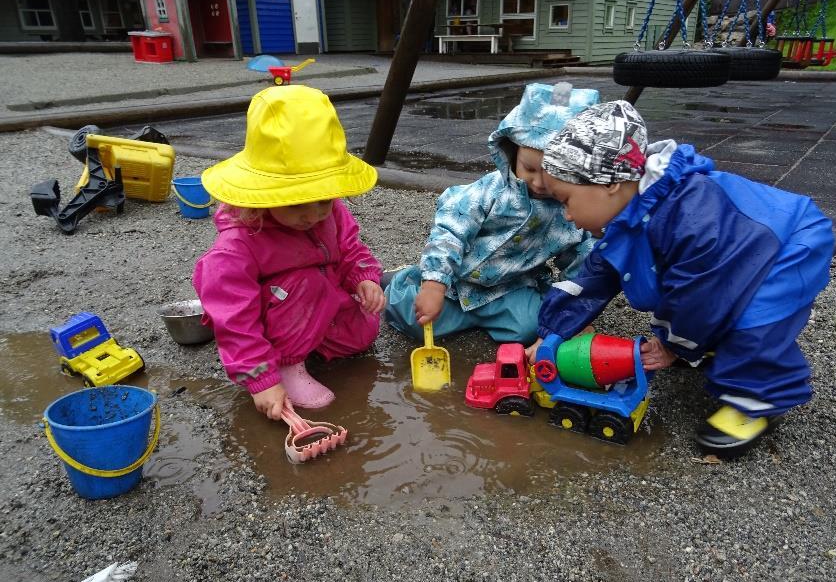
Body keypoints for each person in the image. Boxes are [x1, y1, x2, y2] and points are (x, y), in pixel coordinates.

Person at [529, 100, 834, 456]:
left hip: (787, 244)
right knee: (703, 304)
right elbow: (592, 279)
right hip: (739, 251)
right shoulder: (629, 213)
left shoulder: (688, 215)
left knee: (754, 320)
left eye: (566, 200)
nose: (565, 215)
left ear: (609, 184)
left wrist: (672, 345)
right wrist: (551, 333)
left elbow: (701, 293)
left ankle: (759, 397)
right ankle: (711, 347)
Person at [193, 85, 385, 420]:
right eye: (296, 202)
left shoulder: (331, 212)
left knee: (363, 331)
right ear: (262, 193)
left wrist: (364, 277)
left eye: (324, 198)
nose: (313, 215)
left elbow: (351, 246)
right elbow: (234, 319)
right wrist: (260, 380)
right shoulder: (238, 245)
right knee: (305, 282)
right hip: (281, 313)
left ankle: (310, 345)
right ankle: (285, 366)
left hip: (317, 307)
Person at [383, 82, 601, 345]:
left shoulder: (575, 212)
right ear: (511, 152)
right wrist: (434, 286)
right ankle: (405, 279)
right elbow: (451, 230)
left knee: (531, 328)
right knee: (414, 318)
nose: (540, 183)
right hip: (457, 281)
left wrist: (574, 314)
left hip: (511, 287)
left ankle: (475, 315)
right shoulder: (490, 191)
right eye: (529, 169)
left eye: (554, 173)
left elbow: (580, 260)